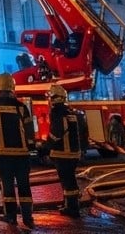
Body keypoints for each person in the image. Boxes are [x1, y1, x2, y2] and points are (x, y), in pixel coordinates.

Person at [0, 72, 35, 231]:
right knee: (24, 185)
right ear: (12, 87)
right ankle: (28, 217)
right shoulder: (21, 106)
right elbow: (29, 129)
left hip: (4, 154)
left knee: (8, 186)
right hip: (22, 154)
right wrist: (30, 145)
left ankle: (11, 216)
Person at [45, 84, 83, 218]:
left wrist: (46, 146)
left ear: (54, 98)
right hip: (73, 153)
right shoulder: (70, 112)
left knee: (67, 181)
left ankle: (72, 208)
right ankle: (71, 205)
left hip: (62, 154)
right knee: (70, 180)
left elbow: (56, 133)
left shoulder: (57, 112)